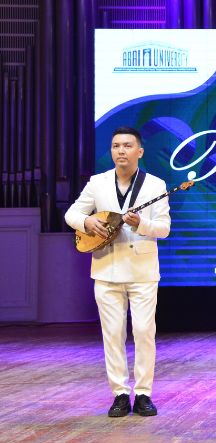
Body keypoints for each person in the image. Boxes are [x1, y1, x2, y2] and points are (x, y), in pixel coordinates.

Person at [65, 127, 171, 418]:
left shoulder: (155, 184)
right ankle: (120, 394)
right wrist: (87, 223)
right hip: (106, 269)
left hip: (142, 271)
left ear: (140, 151)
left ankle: (144, 393)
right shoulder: (97, 183)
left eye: (127, 145)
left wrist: (141, 224)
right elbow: (72, 214)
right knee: (112, 334)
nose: (121, 151)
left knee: (144, 332)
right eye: (115, 146)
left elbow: (164, 228)